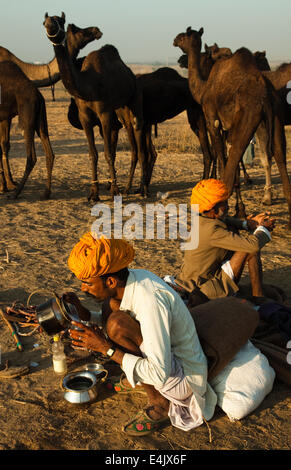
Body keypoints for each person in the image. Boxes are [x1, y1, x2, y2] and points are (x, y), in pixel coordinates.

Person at [64, 232, 275, 436]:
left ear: (110, 281)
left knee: (117, 324)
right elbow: (105, 319)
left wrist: (105, 348)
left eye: (88, 283)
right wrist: (81, 312)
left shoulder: (150, 302)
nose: (84, 288)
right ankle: (136, 377)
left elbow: (160, 373)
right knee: (112, 311)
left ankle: (160, 402)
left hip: (183, 379)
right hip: (165, 356)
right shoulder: (133, 278)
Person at [174, 178, 276, 307]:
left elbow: (226, 221)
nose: (228, 206)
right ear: (214, 209)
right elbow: (253, 245)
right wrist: (263, 229)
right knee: (249, 248)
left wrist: (248, 224)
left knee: (239, 236)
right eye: (224, 203)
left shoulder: (202, 220)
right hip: (204, 288)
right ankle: (259, 298)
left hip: (195, 279)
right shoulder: (213, 231)